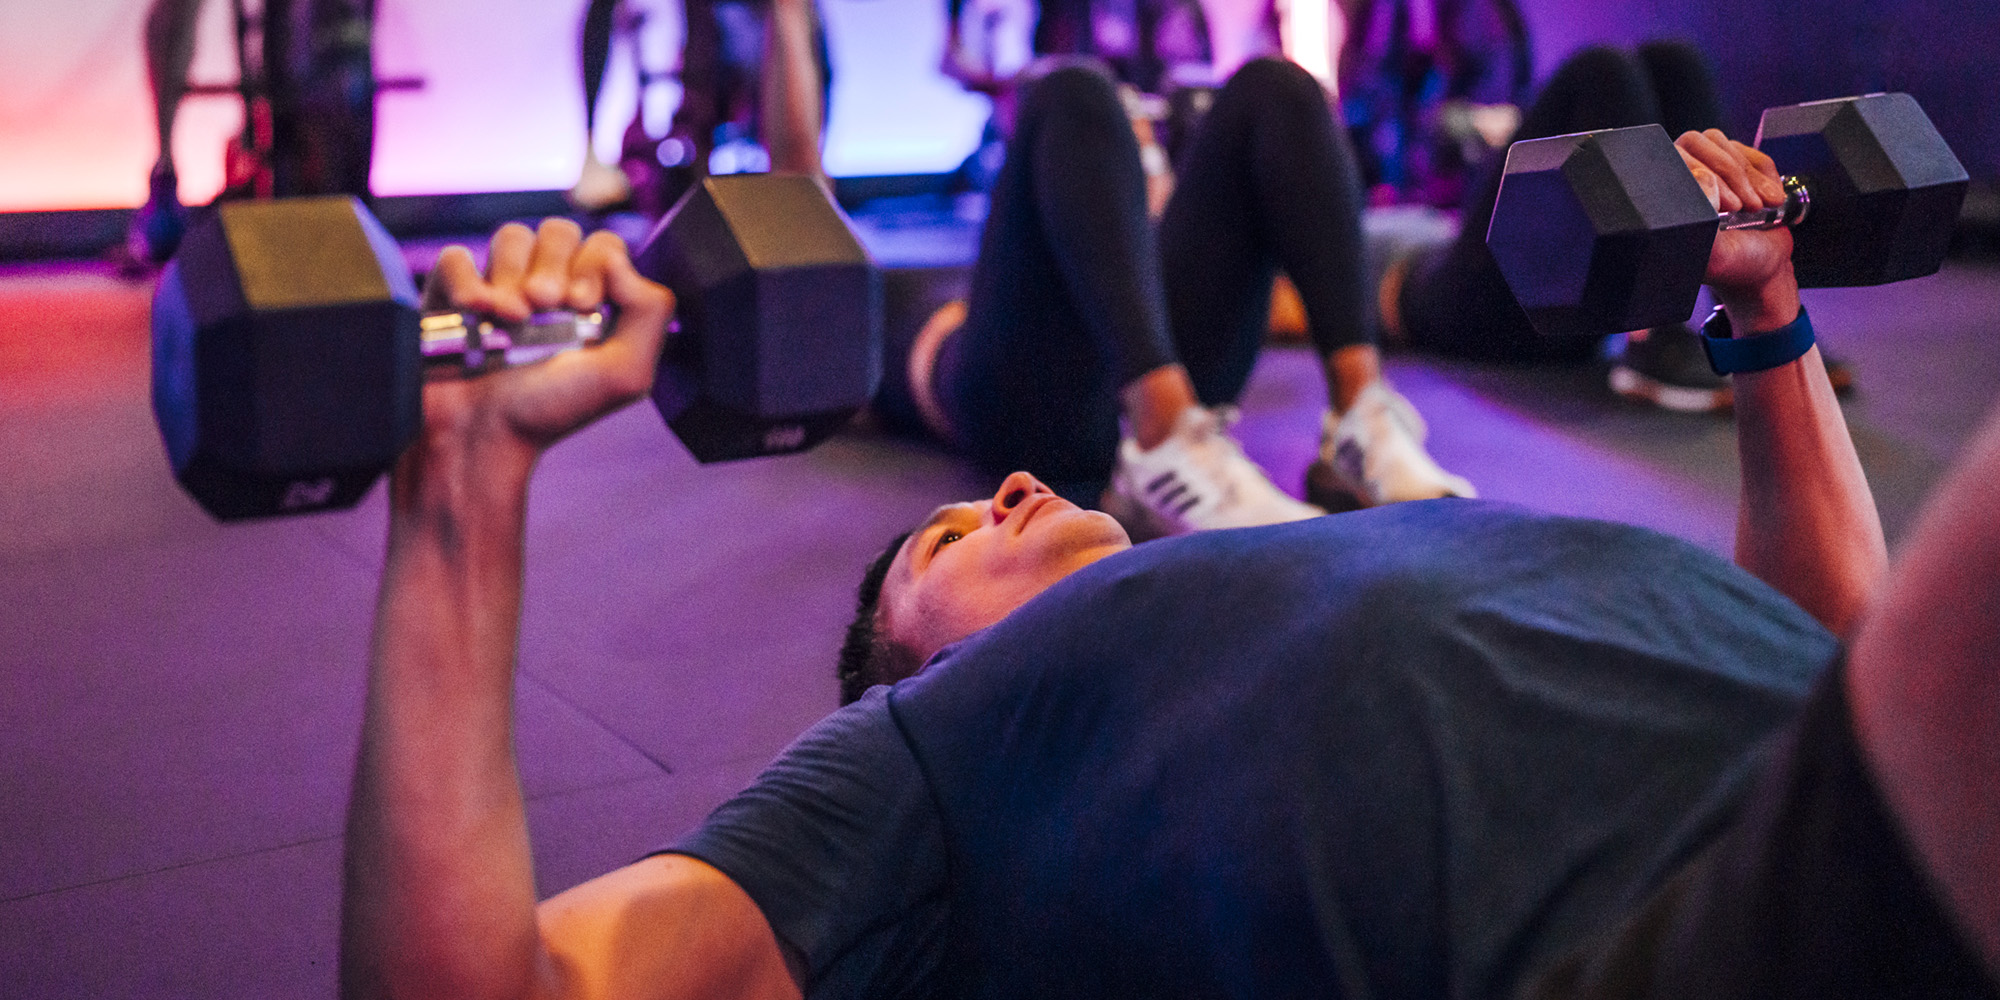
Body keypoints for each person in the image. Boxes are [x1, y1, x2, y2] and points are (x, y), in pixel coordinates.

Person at [336, 39, 1998, 996]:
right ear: (909, 678)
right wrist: (466, 492)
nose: (1000, 501)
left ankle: (1344, 406)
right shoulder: (926, 763)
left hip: (1853, 825)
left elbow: (1835, 659)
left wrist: (1768, 318)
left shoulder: (1320, 561)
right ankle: (1172, 418)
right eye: (941, 552)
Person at [880, 56, 1475, 534]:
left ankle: (1359, 417)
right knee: (1073, 94)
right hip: (1041, 416)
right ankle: (1162, 440)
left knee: (1277, 86)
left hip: (1167, 366)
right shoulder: (903, 286)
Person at [1379, 40, 1854, 413]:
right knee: (1601, 72)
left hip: (1537, 291)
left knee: (1670, 62)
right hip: (1454, 308)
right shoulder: (1334, 245)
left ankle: (1749, 307)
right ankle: (1651, 332)